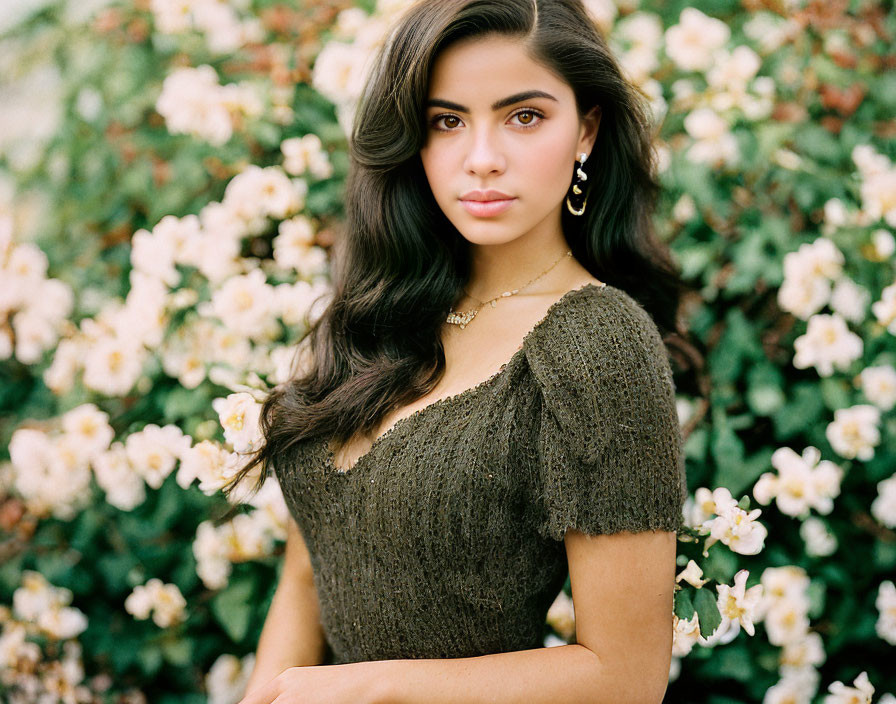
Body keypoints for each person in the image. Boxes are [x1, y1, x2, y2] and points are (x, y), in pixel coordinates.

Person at [229, 1, 698, 702]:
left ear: (586, 131)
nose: (482, 158)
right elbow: (308, 572)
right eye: (447, 121)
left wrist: (374, 689)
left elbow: (626, 678)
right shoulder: (377, 313)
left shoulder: (598, 344)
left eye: (524, 116)